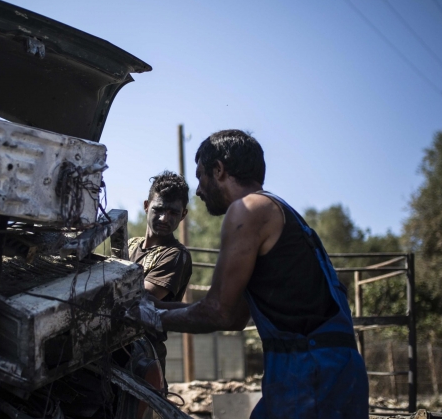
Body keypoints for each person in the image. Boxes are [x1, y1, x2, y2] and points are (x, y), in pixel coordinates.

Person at [127, 130, 368, 418]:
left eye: (201, 176)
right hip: (322, 367)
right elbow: (235, 315)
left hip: (312, 369)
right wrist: (153, 307)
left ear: (219, 170)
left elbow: (217, 312)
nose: (200, 191)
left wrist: (146, 315)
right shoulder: (275, 208)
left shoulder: (248, 210)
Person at [128, 170, 192, 379]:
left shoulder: (175, 255)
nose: (165, 218)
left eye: (173, 213)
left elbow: (135, 297)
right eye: (159, 209)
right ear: (147, 206)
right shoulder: (129, 246)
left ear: (183, 214)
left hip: (141, 354)